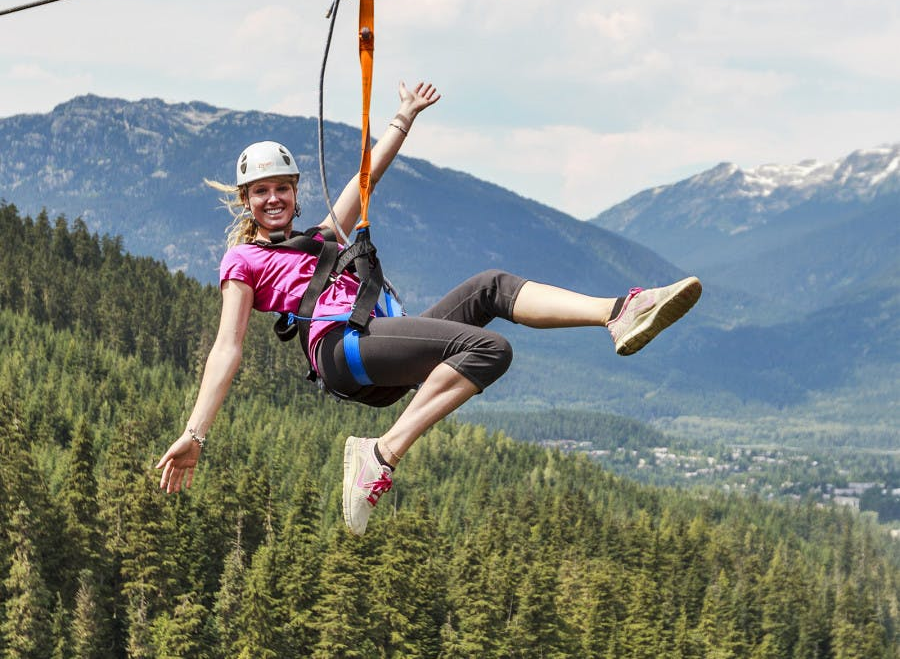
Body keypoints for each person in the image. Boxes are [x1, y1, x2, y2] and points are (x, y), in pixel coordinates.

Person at [156, 81, 702, 536]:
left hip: (376, 339)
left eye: (282, 188)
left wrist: (402, 117)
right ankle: (381, 454)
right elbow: (227, 347)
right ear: (245, 200)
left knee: (491, 285)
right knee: (489, 349)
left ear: (297, 194)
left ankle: (618, 311)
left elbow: (365, 178)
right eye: (261, 192)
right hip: (341, 350)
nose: (273, 199)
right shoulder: (243, 260)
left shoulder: (322, 237)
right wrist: (195, 432)